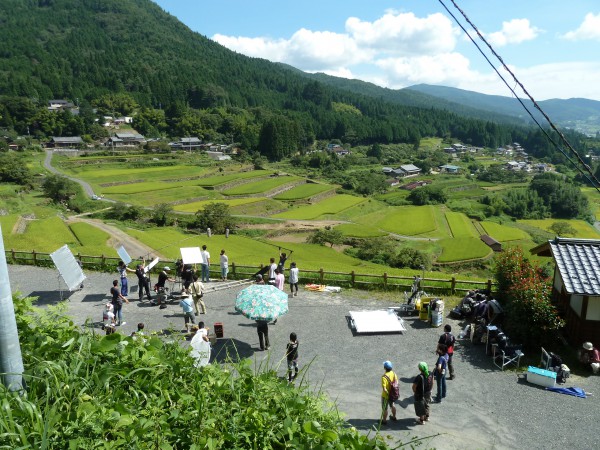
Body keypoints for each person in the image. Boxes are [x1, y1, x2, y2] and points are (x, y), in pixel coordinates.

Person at [380, 360, 398, 425]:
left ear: (385, 368)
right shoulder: (394, 374)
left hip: (385, 395)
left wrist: (387, 394)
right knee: (392, 405)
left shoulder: (384, 377)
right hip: (392, 394)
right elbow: (396, 383)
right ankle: (394, 417)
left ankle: (384, 421)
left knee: (385, 408)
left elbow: (384, 388)